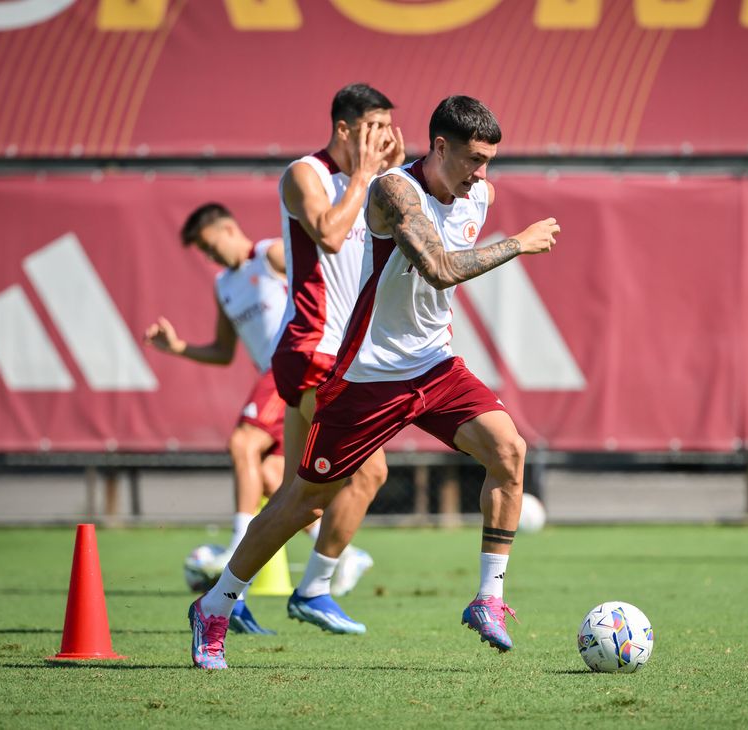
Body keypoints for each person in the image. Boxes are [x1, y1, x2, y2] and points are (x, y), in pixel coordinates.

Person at [188, 95, 560, 669]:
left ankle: (488, 599)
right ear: (439, 147)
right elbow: (437, 268)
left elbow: (436, 277)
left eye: (490, 160)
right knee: (305, 502)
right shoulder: (392, 191)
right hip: (369, 375)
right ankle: (215, 606)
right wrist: (519, 243)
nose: (483, 174)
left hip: (436, 367)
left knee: (509, 450)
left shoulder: (478, 194)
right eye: (474, 159)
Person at [264, 82, 403, 635]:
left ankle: (225, 597)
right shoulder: (306, 174)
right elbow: (328, 233)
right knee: (370, 469)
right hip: (312, 347)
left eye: (390, 128)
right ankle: (316, 589)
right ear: (345, 129)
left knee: (301, 497)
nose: (384, 139)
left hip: (345, 354)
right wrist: (368, 176)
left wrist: (387, 175)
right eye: (375, 128)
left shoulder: (372, 182)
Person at [145, 203, 289, 635]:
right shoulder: (223, 285)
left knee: (242, 444)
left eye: (212, 246)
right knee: (269, 477)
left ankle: (234, 559)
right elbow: (225, 352)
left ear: (229, 228)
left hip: (292, 366)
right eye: (204, 252)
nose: (212, 256)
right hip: (276, 381)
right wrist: (179, 348)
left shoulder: (272, 255)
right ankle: (337, 552)